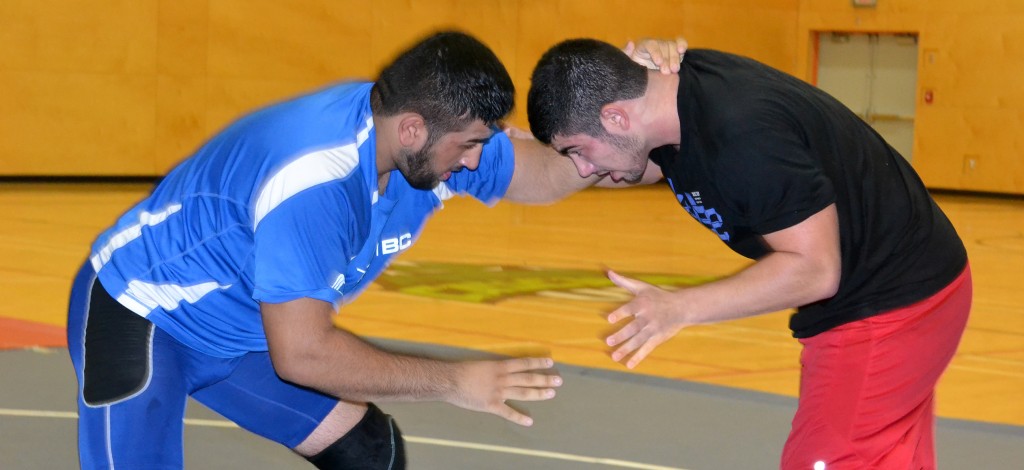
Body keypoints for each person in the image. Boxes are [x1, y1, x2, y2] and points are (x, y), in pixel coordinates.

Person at [66, 30, 685, 469]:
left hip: (243, 332)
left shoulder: (426, 141)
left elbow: (551, 175)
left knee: (367, 450)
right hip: (142, 315)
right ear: (413, 130)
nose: (475, 163)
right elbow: (303, 356)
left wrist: (646, 114)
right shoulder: (314, 183)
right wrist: (454, 381)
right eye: (469, 147)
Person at [526, 39, 971, 469]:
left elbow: (815, 270)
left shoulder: (740, 135)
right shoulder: (675, 98)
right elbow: (628, 166)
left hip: (891, 304)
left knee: (828, 461)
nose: (582, 169)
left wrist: (680, 307)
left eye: (579, 151)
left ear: (617, 117)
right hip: (911, 283)